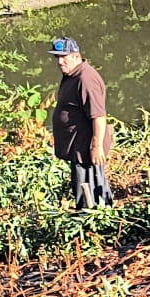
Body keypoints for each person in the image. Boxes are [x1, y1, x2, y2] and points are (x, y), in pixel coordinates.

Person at [49, 37, 114, 209]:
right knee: (83, 186)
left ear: (76, 56)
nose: (60, 61)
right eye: (57, 57)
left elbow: (99, 116)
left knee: (93, 187)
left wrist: (96, 146)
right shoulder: (72, 75)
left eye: (64, 57)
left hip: (86, 149)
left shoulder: (86, 79)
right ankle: (89, 216)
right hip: (78, 148)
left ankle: (98, 221)